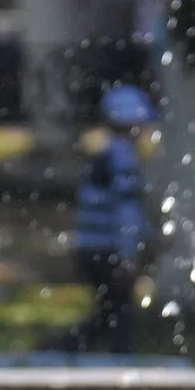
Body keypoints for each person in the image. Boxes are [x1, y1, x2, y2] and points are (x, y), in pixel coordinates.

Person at [68, 84, 159, 355]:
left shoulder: (103, 154)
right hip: (108, 250)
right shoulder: (122, 157)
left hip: (90, 247)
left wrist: (150, 234)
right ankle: (116, 367)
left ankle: (62, 353)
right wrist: (128, 254)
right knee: (121, 318)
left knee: (109, 314)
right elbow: (125, 209)